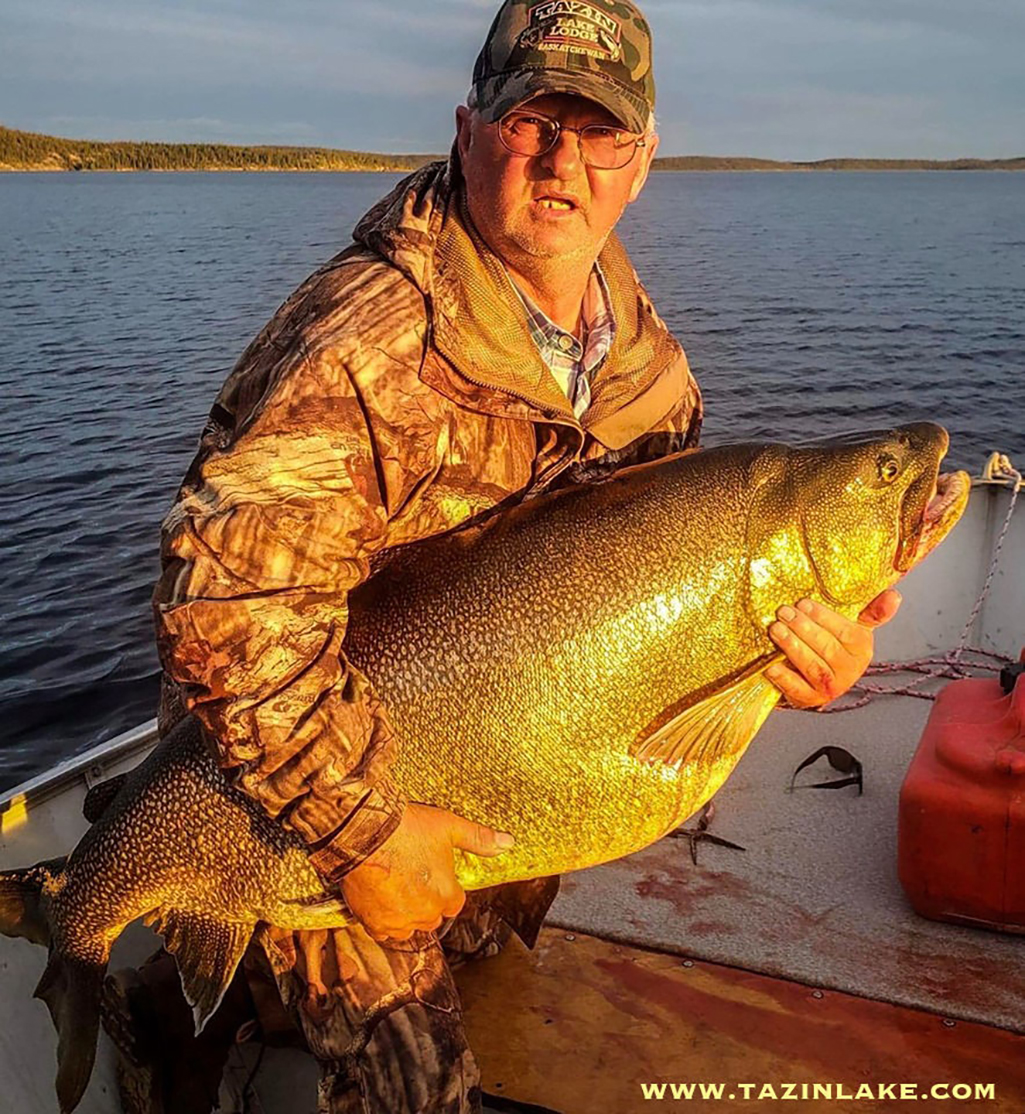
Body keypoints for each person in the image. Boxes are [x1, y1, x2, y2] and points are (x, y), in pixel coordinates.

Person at [148, 0, 900, 1110]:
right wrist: (362, 837)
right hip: (290, 763)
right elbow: (222, 615)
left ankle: (258, 969)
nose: (560, 160)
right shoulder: (358, 345)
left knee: (485, 946)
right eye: (528, 122)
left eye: (596, 132)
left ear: (640, 162)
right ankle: (216, 969)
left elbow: (668, 599)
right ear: (466, 132)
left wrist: (791, 665)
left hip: (497, 728)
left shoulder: (650, 378)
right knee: (416, 1084)